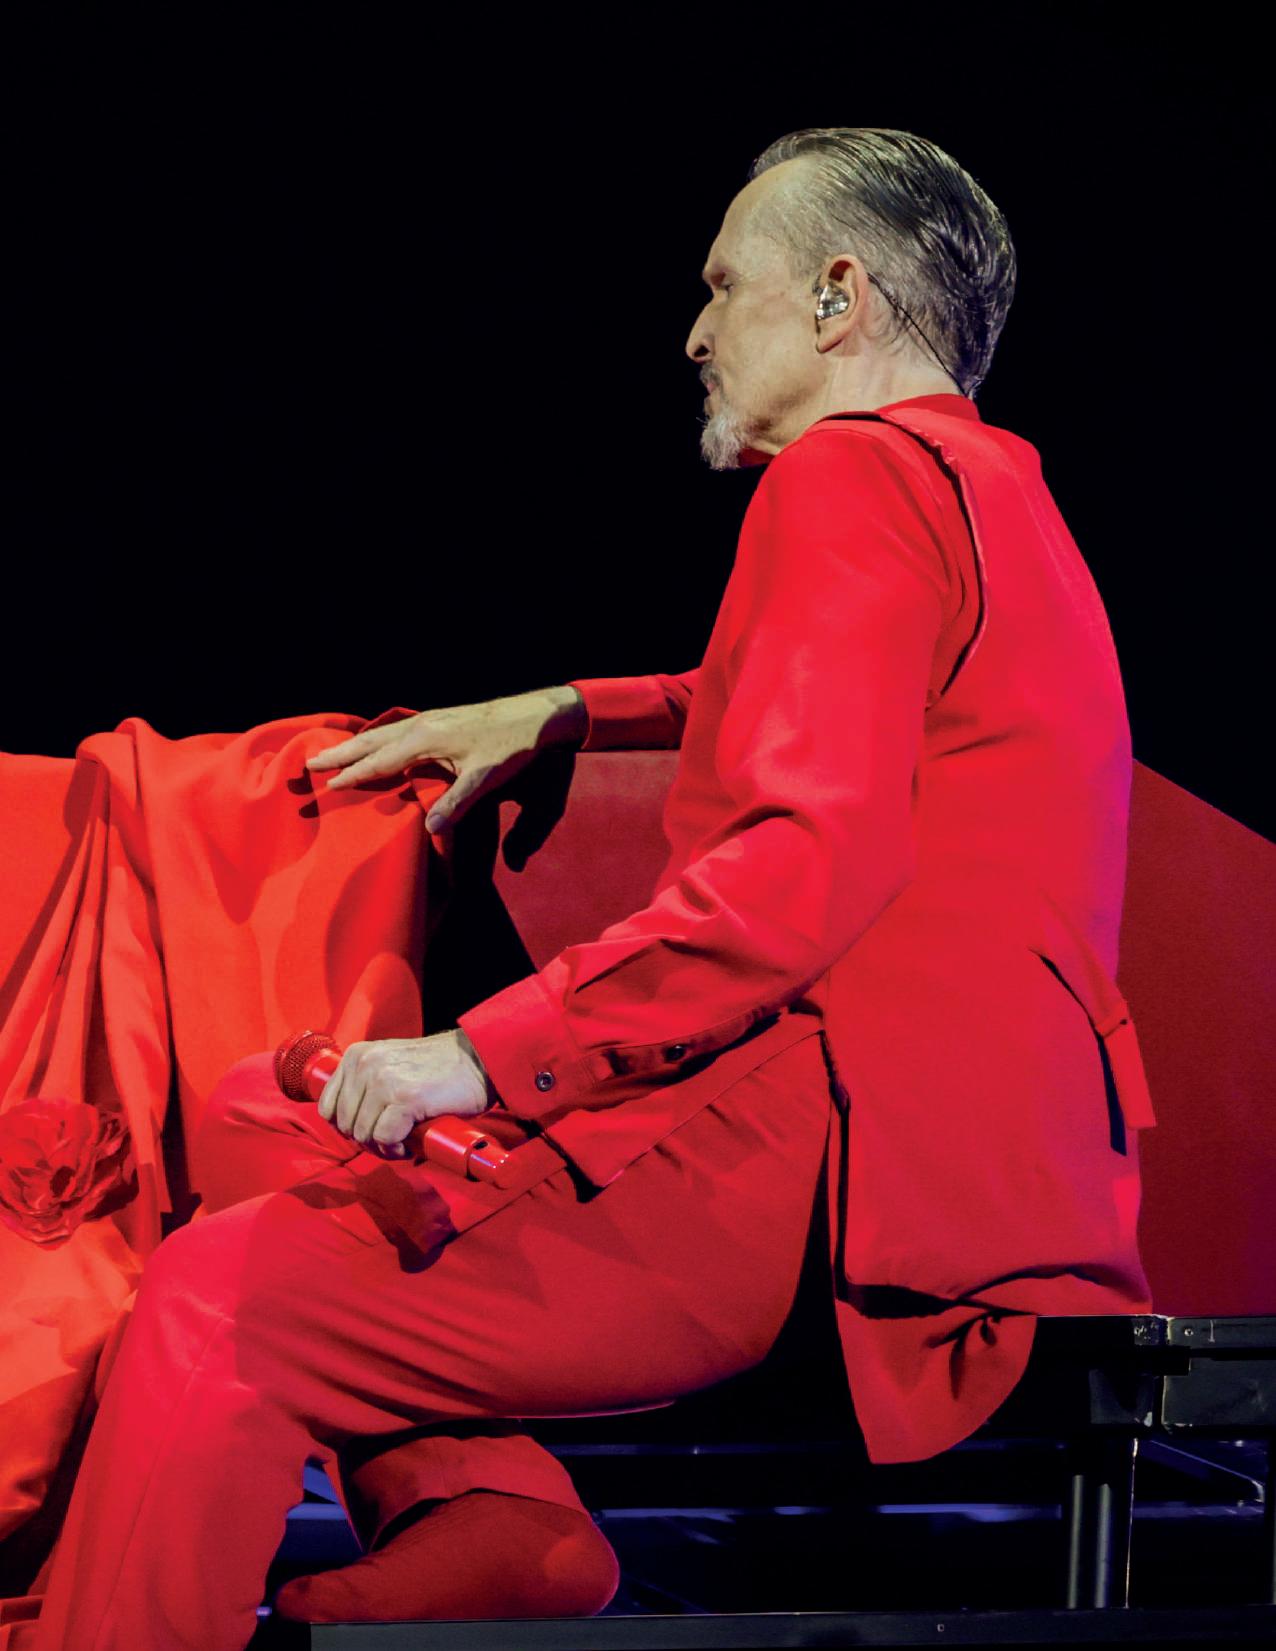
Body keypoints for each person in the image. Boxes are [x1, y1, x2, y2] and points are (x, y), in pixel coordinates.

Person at [26, 126, 1155, 1650]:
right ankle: (495, 1513)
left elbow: (805, 860)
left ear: (839, 295)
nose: (695, 331)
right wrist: (565, 709)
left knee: (229, 1297)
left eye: (724, 285)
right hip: (977, 1152)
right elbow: (832, 698)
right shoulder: (991, 487)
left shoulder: (845, 478)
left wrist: (482, 1052)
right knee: (262, 1114)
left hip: (836, 1147)